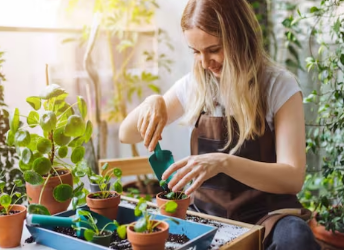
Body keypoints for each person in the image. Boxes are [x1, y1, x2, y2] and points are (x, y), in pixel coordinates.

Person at [119, 0, 320, 249]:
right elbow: (126, 133)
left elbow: (292, 178)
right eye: (195, 51)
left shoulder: (278, 86)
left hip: (268, 215)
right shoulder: (195, 84)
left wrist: (224, 163)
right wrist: (153, 101)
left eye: (214, 49)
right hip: (206, 214)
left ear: (240, 37)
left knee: (296, 239)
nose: (205, 62)